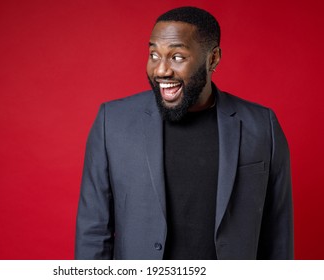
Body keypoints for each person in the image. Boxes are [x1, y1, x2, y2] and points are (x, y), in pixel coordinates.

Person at [75, 6, 293, 260]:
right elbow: (93, 232)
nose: (161, 70)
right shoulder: (112, 122)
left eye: (177, 57)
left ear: (212, 59)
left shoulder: (261, 125)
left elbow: (278, 233)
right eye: (154, 54)